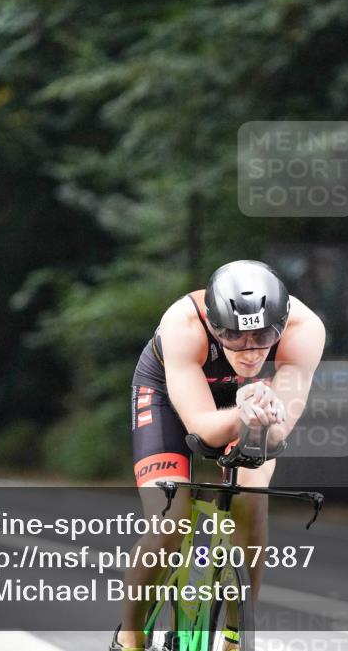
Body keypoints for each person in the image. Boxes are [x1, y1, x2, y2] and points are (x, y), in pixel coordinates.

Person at [111, 260, 326, 651]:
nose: (249, 351)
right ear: (213, 326)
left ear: (281, 324)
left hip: (254, 402)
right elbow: (202, 429)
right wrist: (241, 411)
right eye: (233, 337)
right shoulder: (183, 324)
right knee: (170, 519)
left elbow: (276, 435)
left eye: (263, 337)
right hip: (169, 395)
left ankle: (235, 634)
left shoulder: (304, 330)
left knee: (252, 499)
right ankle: (131, 634)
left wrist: (259, 415)